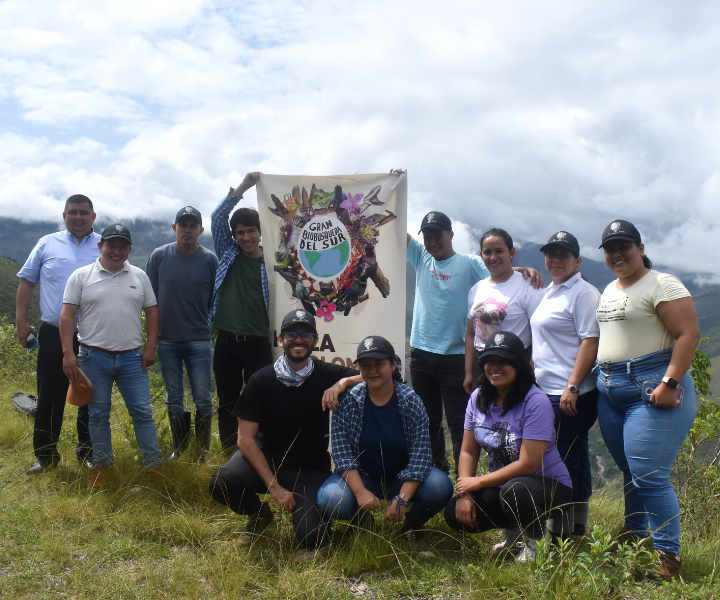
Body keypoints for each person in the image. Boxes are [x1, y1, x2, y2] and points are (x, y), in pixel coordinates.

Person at [595, 219, 700, 582]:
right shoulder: (609, 288)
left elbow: (688, 333)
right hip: (610, 388)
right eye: (609, 248)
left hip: (652, 386)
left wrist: (670, 382)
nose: (616, 254)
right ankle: (634, 535)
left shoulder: (662, 283)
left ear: (640, 248)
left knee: (650, 475)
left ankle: (668, 558)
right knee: (632, 471)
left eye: (624, 246)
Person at [208, 310, 362, 555]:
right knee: (221, 482)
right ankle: (259, 515)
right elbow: (244, 439)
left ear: (315, 340)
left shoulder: (326, 374)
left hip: (309, 469)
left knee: (311, 537)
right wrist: (275, 489)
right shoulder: (261, 380)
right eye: (291, 333)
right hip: (266, 460)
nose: (298, 340)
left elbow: (383, 375)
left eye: (305, 334)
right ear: (281, 340)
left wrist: (342, 383)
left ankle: (319, 519)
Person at [406, 211, 543, 475]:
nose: (433, 242)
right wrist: (391, 186)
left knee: (460, 424)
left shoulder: (469, 263)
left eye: (439, 235)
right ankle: (435, 476)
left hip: (456, 356)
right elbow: (396, 228)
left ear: (451, 235)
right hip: (420, 354)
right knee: (426, 421)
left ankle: (464, 484)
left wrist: (522, 270)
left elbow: (496, 271)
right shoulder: (422, 257)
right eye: (428, 237)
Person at [444, 331, 573, 562]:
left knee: (516, 491)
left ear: (519, 365)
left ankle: (538, 545)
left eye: (504, 361)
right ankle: (515, 533)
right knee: (455, 513)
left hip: (548, 486)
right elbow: (468, 450)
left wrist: (479, 482)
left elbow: (528, 464)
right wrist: (464, 492)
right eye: (490, 361)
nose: (495, 367)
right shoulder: (477, 398)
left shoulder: (535, 401)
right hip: (506, 487)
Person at [317, 336, 454, 536]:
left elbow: (420, 457)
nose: (372, 371)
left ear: (392, 366)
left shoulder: (411, 402)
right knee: (330, 498)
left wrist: (402, 498)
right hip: (362, 476)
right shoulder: (347, 402)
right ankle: (365, 525)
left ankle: (410, 526)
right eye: (366, 366)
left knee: (439, 486)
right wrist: (359, 492)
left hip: (401, 476)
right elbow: (342, 454)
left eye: (379, 364)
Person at [60, 224, 162, 488]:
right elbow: (67, 316)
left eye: (122, 246)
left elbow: (152, 312)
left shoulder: (139, 276)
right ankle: (103, 464)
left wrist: (151, 347)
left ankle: (153, 465)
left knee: (142, 412)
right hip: (93, 357)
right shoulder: (81, 276)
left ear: (129, 249)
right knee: (98, 413)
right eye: (111, 245)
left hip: (132, 357)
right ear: (100, 246)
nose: (116, 251)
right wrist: (68, 353)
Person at [16, 194, 99, 474]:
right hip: (52, 333)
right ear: (64, 216)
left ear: (93, 217)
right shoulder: (46, 243)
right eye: (73, 212)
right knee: (49, 394)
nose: (78, 217)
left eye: (84, 212)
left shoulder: (104, 245)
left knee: (90, 394)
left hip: (93, 334)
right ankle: (46, 456)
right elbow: (27, 282)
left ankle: (87, 452)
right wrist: (20, 321)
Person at [530, 231, 600, 538]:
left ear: (578, 260)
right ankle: (577, 524)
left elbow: (591, 340)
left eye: (563, 255)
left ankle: (559, 529)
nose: (556, 260)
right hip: (549, 389)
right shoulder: (551, 290)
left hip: (569, 393)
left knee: (559, 459)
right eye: (550, 255)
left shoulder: (583, 292)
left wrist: (572, 386)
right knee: (576, 454)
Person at [146, 206, 218, 460]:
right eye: (182, 225)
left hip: (199, 338)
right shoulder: (159, 256)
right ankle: (180, 449)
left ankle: (202, 452)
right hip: (166, 339)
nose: (187, 230)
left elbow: (213, 300)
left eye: (192, 226)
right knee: (173, 398)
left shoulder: (210, 260)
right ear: (174, 228)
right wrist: (151, 341)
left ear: (200, 230)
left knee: (203, 398)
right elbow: (149, 298)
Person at [210, 172, 275, 452]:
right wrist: (245, 186)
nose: (245, 237)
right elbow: (216, 218)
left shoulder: (272, 262)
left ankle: (258, 449)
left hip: (259, 342)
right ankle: (229, 450)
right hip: (226, 340)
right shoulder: (229, 253)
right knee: (226, 399)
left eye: (251, 231)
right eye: (240, 232)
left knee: (259, 398)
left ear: (260, 233)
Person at [463, 228, 545, 393]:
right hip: (483, 364)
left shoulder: (528, 287)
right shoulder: (477, 288)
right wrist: (469, 373)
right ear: (481, 255)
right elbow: (471, 333)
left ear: (512, 252)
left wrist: (531, 369)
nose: (493, 257)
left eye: (499, 251)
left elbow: (539, 334)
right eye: (487, 252)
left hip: (515, 364)